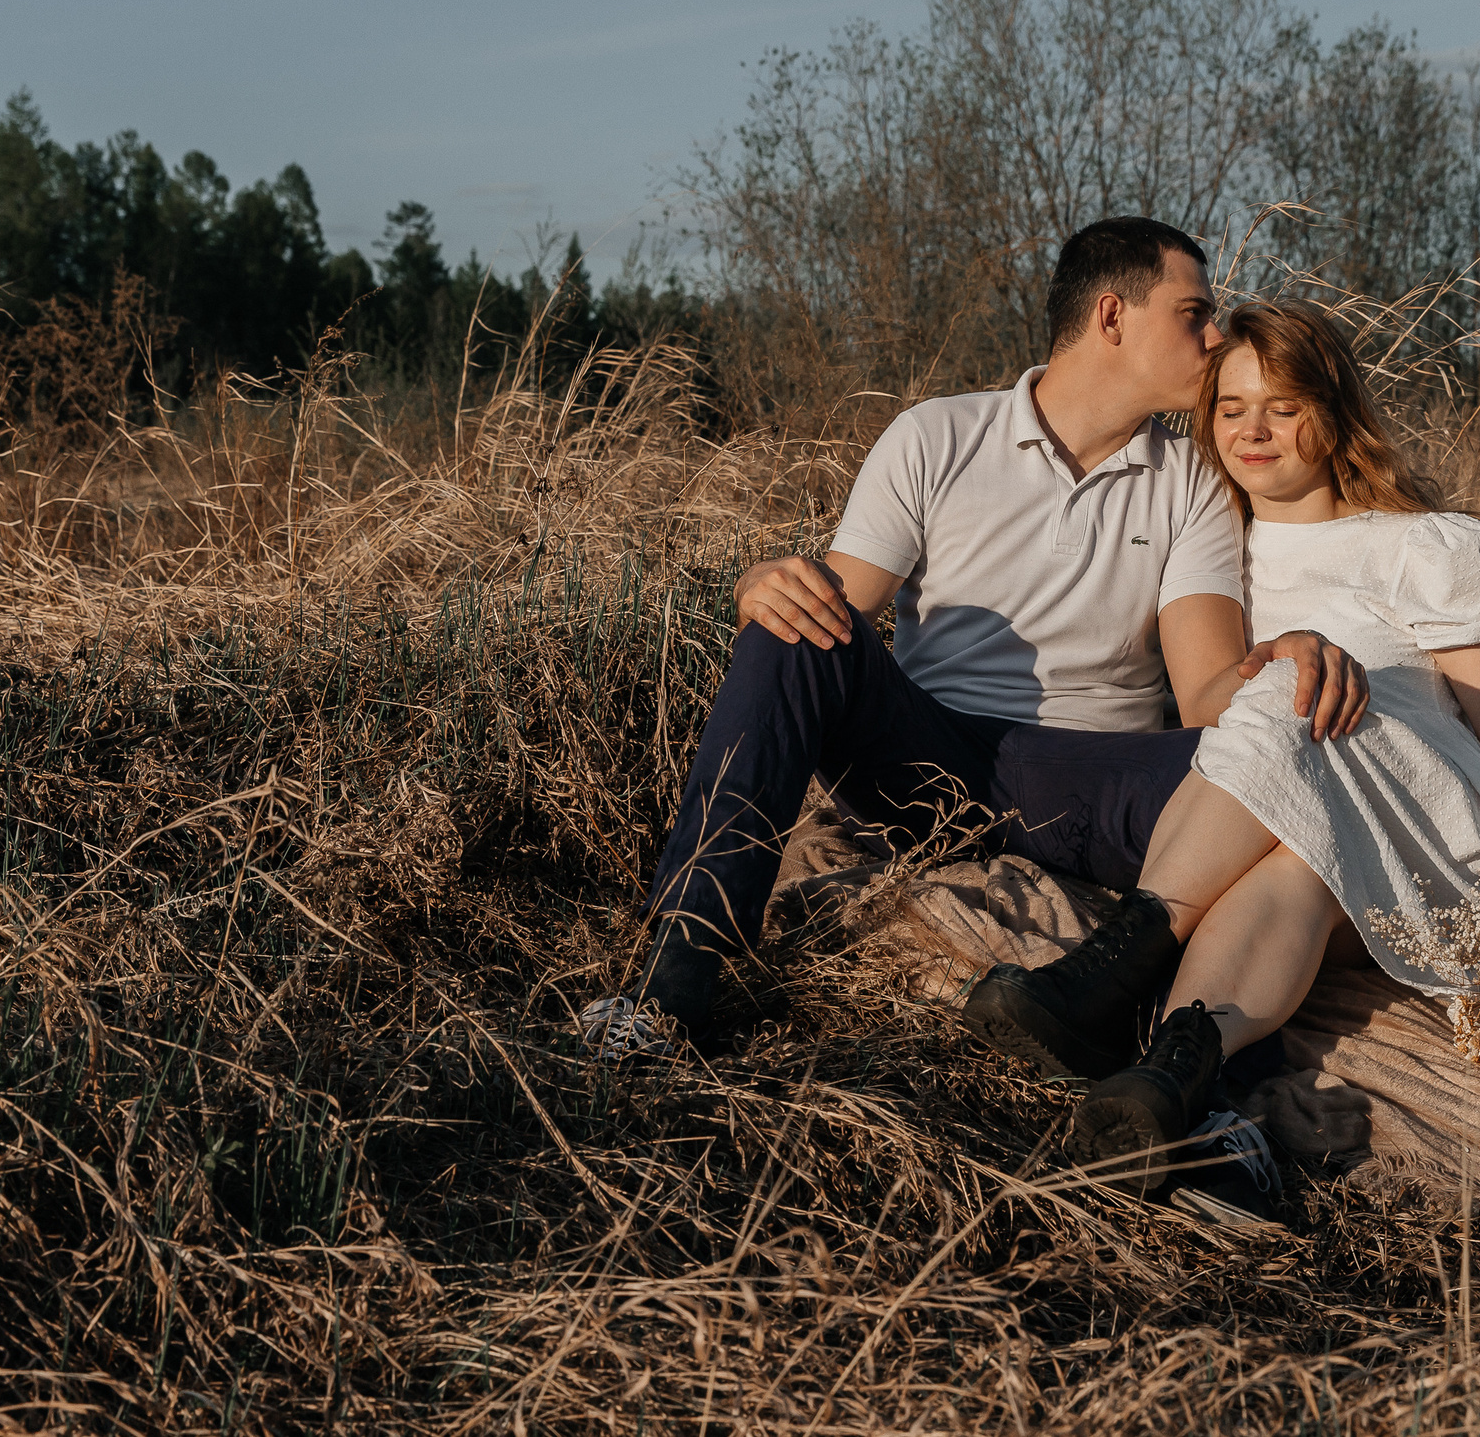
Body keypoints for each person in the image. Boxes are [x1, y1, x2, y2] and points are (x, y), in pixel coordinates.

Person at [581, 220, 1372, 1060]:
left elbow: (1209, 689)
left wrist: (1280, 659)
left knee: (1275, 755)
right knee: (790, 628)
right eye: (1193, 313)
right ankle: (670, 988)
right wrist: (759, 587)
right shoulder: (938, 437)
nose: (1214, 338)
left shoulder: (1194, 483)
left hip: (1095, 783)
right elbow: (831, 615)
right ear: (1113, 316)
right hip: (926, 763)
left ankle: (1182, 1059)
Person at [963, 297, 1480, 1220]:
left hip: (1446, 828)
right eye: (1230, 407)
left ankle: (1113, 967)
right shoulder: (1209, 557)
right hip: (1324, 829)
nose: (1254, 430)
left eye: (1282, 407)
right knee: (1300, 851)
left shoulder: (1420, 544)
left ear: (1332, 412)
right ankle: (1172, 1076)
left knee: (1296, 686)